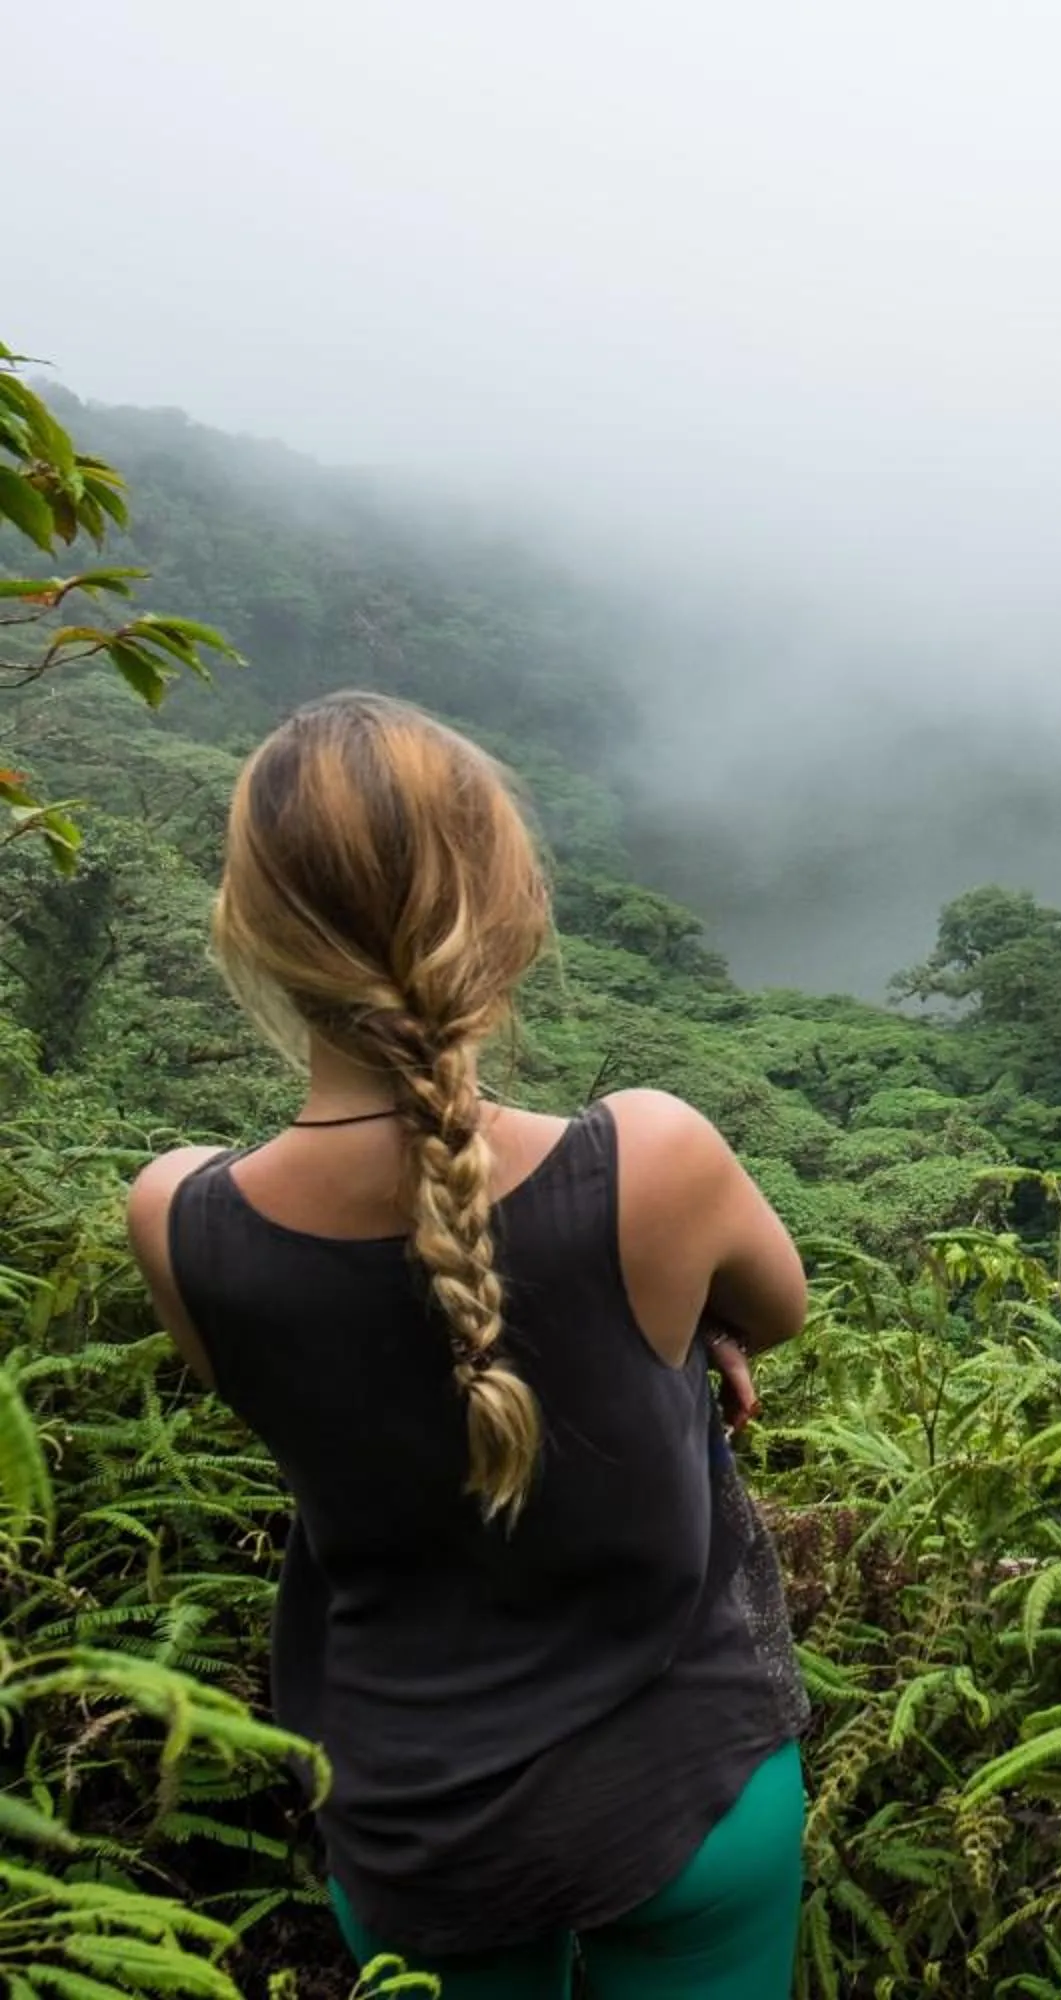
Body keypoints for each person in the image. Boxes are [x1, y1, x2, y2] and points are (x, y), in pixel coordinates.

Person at [124, 692, 814, 2000]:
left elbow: (286, 1381)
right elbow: (777, 1307)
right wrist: (679, 1313)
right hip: (693, 1785)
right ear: (509, 909)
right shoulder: (651, 1162)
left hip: (416, 1835)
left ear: (251, 933)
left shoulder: (179, 1221)